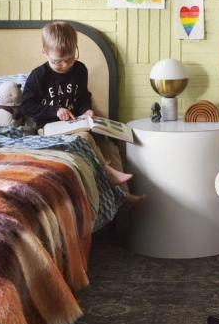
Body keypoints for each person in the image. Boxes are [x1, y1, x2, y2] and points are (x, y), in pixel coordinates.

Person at [21, 21, 141, 203]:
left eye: (70, 59)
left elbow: (83, 96)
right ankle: (108, 174)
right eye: (57, 61)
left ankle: (123, 194)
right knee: (83, 139)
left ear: (75, 49)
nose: (65, 65)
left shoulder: (80, 70)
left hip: (76, 121)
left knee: (108, 143)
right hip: (47, 127)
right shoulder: (39, 76)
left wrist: (87, 110)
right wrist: (55, 111)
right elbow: (26, 106)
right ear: (44, 52)